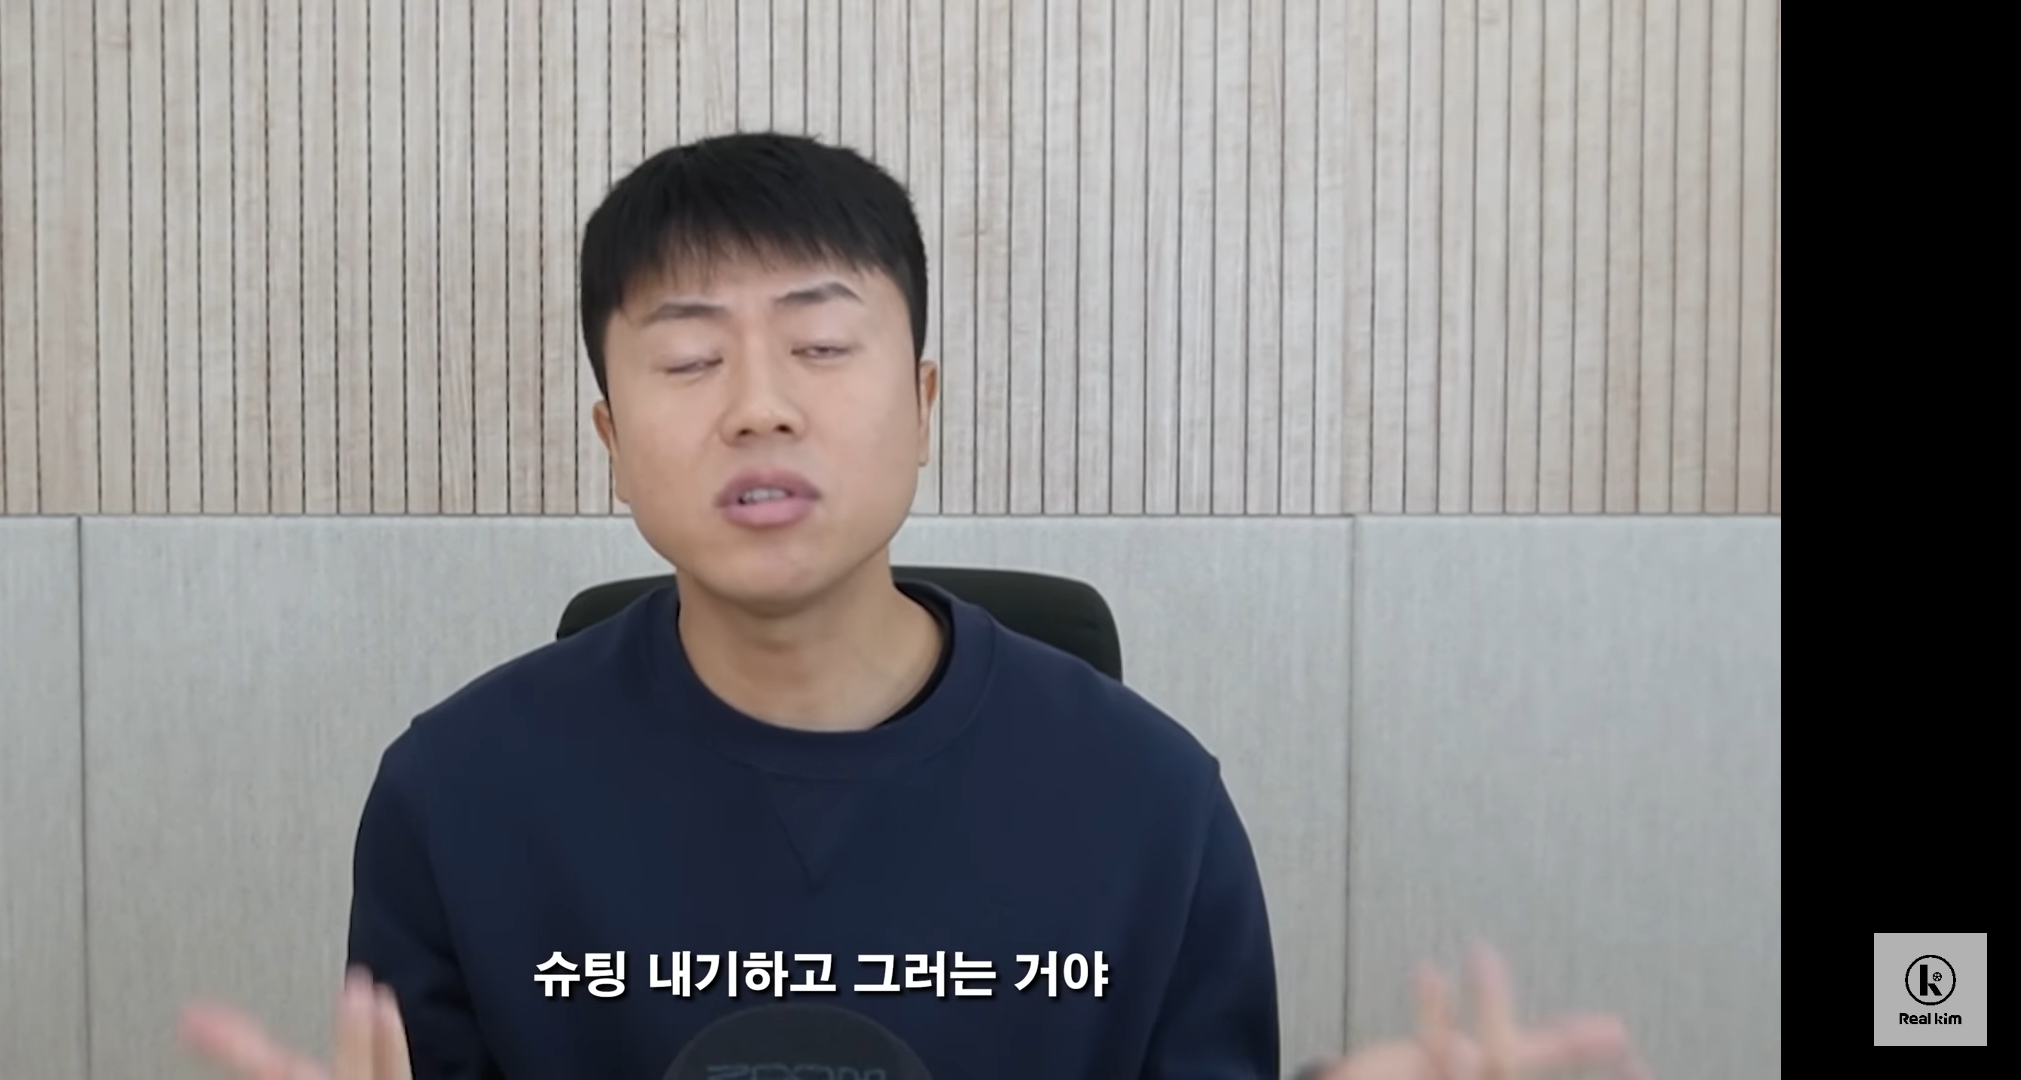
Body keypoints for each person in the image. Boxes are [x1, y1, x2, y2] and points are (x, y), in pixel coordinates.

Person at [177, 132, 1647, 1080]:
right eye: (688, 361)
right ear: (612, 439)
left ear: (925, 403)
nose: (759, 406)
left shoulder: (1148, 801)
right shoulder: (459, 793)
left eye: (822, 347)